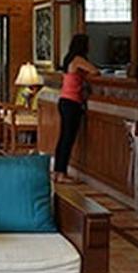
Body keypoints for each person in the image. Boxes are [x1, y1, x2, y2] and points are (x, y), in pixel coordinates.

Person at [54, 33, 99, 182]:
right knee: (68, 139)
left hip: (64, 100)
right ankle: (62, 173)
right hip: (72, 102)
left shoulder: (68, 58)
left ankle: (57, 172)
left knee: (63, 138)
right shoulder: (78, 59)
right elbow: (95, 71)